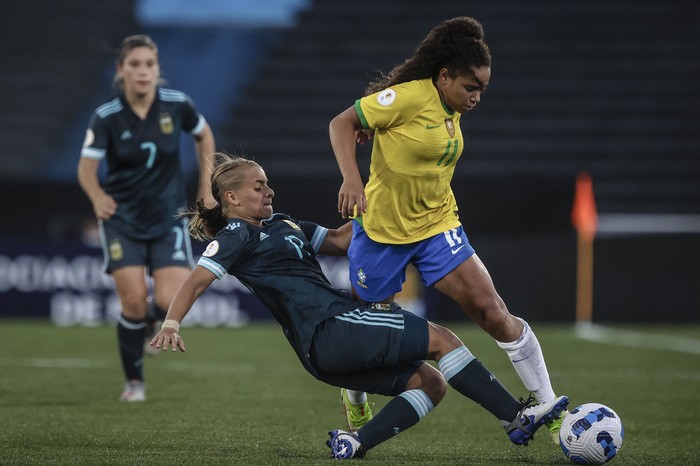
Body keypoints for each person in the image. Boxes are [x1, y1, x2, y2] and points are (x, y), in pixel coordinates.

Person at [149, 154, 569, 459]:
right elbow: (197, 279)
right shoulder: (237, 234)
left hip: (322, 355)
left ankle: (355, 442)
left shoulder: (283, 224)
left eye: (267, 183)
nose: (269, 190)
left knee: (431, 384)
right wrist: (172, 321)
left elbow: (339, 240)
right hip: (331, 326)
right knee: (443, 340)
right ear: (231, 198)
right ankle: (517, 417)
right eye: (258, 186)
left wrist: (385, 204)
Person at [328, 17, 567, 443]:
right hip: (383, 231)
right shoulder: (405, 97)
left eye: (483, 90)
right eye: (470, 87)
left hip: (438, 224)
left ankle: (548, 406)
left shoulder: (451, 108)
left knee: (491, 309)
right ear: (443, 76)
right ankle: (356, 398)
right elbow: (341, 122)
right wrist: (352, 178)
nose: (476, 98)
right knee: (368, 333)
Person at [77, 34, 216, 402]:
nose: (143, 71)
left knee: (171, 299)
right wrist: (97, 196)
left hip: (167, 217)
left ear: (157, 70)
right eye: (135, 65)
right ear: (121, 70)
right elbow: (86, 168)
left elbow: (204, 135)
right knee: (134, 304)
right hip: (123, 221)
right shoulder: (106, 116)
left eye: (149, 64)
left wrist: (206, 187)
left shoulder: (177, 105)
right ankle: (134, 382)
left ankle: (150, 323)